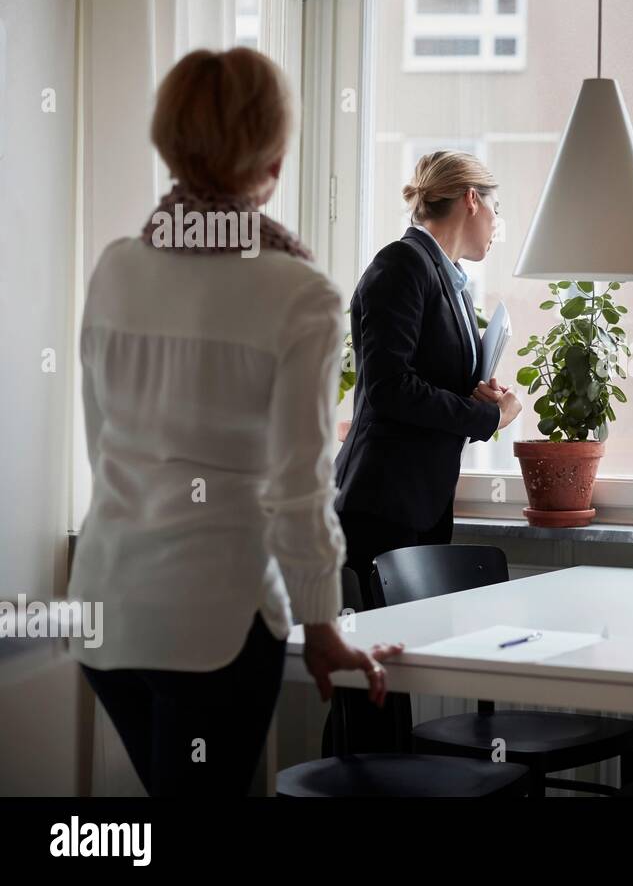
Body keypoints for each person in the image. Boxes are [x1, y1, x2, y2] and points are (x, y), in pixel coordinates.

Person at [69, 47, 401, 796]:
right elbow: (300, 486)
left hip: (108, 609)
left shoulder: (117, 265)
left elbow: (103, 445)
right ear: (274, 160)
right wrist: (323, 627)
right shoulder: (300, 293)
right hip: (212, 625)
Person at [328, 151, 522, 754]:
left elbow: (420, 381)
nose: (496, 221)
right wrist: (485, 414)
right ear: (470, 199)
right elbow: (387, 390)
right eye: (495, 207)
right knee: (369, 686)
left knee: (392, 678)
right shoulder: (400, 267)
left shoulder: (444, 278)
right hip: (379, 507)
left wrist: (473, 395)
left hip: (416, 505)